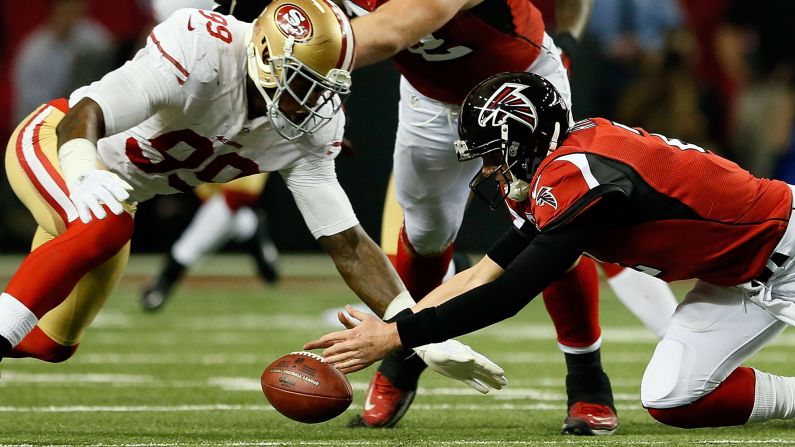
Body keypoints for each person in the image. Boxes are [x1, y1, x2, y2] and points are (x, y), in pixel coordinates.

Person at [0, 0, 506, 394]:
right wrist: (84, 172)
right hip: (61, 146)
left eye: (324, 88)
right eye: (303, 85)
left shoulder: (312, 125)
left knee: (52, 345)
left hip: (119, 195)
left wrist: (419, 332)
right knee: (108, 226)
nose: (314, 102)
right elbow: (84, 113)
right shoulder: (198, 49)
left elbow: (347, 244)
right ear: (265, 56)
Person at [307, 71, 795, 431]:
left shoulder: (580, 172)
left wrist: (395, 340)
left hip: (788, 249)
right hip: (736, 280)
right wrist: (395, 326)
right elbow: (482, 275)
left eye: (493, 156)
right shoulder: (565, 165)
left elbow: (508, 295)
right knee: (671, 397)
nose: (491, 172)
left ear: (524, 138)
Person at [140, 0, 279, 312]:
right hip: (200, 97)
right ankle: (250, 229)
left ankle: (167, 277)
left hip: (250, 102)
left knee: (234, 198)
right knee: (218, 197)